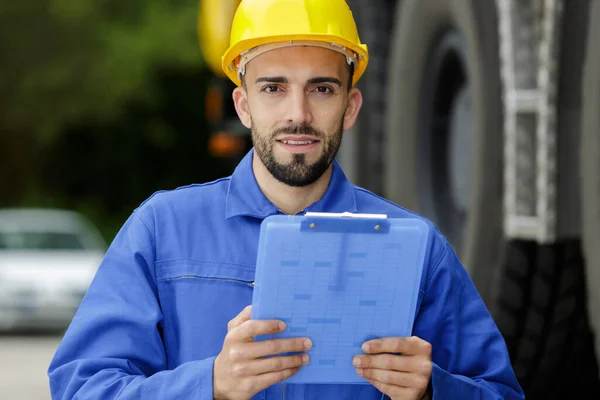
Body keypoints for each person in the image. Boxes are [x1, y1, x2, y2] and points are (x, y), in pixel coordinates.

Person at [48, 0, 525, 399]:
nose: (298, 115)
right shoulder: (162, 230)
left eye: (322, 88)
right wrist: (208, 383)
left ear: (351, 107)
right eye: (273, 88)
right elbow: (80, 387)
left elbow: (500, 392)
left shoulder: (418, 247)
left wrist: (432, 390)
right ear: (243, 106)